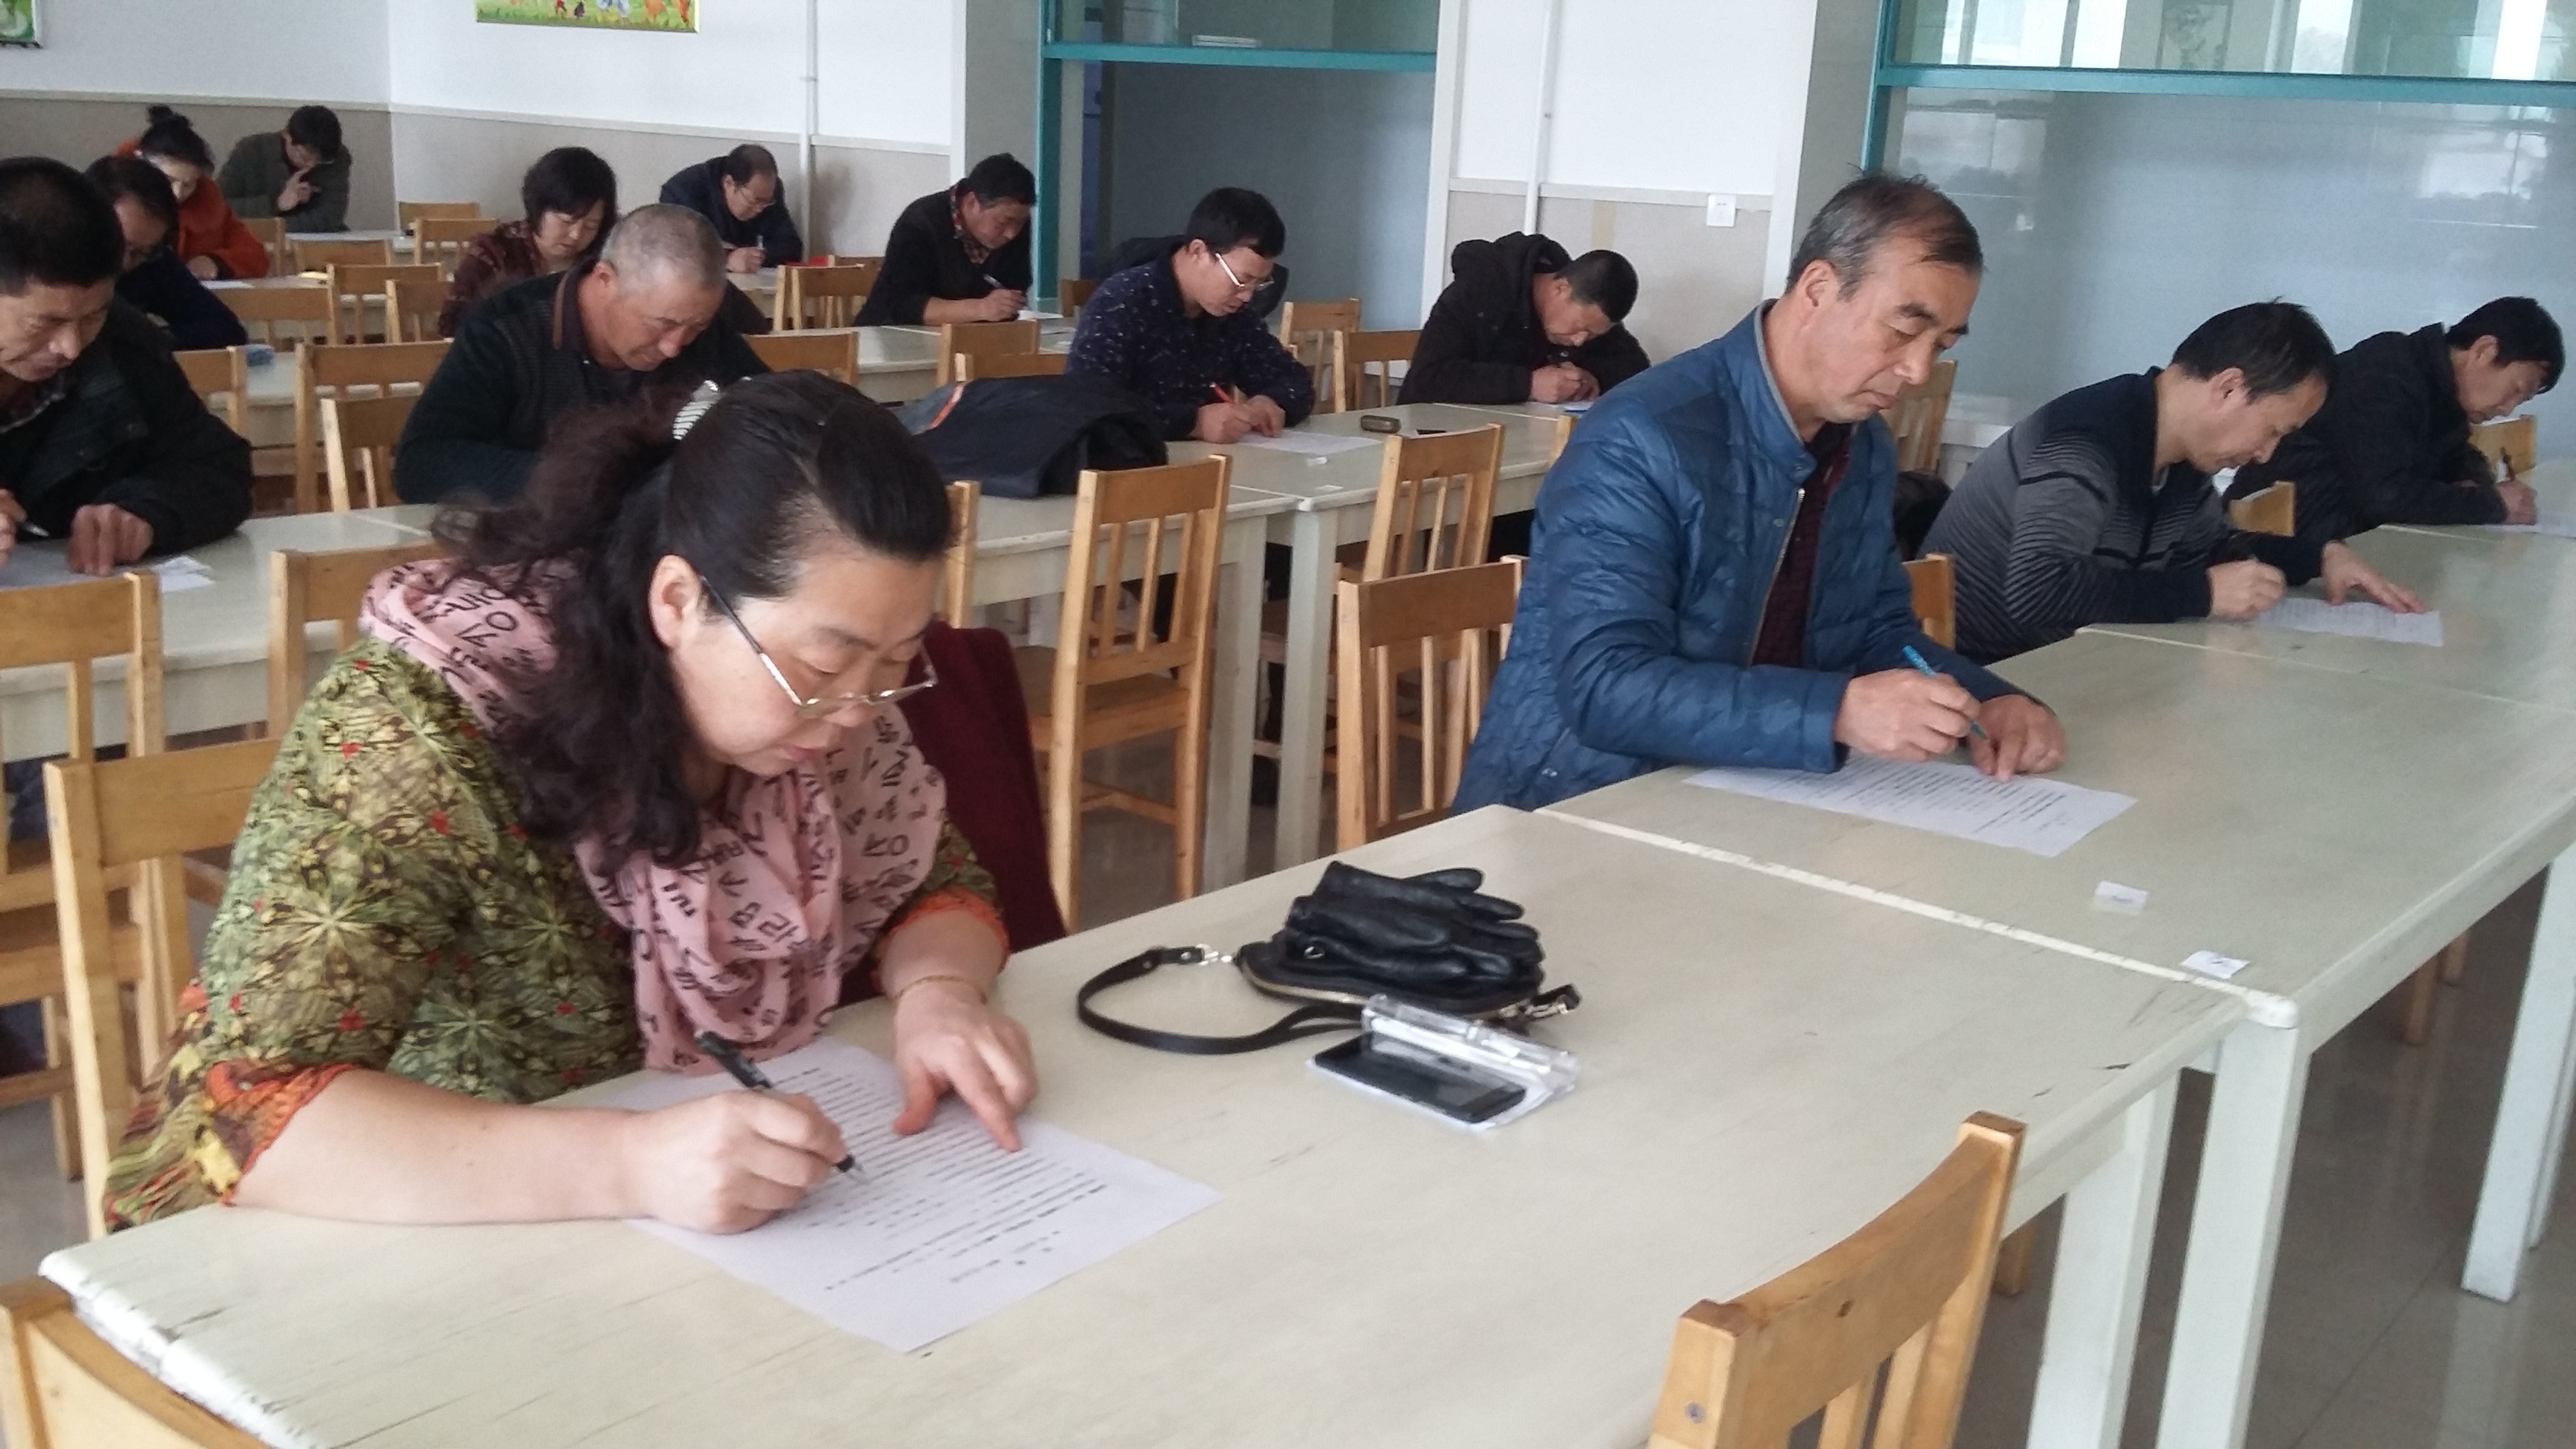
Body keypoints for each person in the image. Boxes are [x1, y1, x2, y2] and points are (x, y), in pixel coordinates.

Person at [102, 371, 1035, 1231]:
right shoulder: (418, 730)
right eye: (825, 665)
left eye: (896, 662)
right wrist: (630, 1166)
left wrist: (939, 994)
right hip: (406, 1219)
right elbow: (247, 1109)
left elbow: (935, 880)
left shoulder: (818, 723)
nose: (859, 711)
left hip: (659, 1226)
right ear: (678, 600)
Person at [1454, 175, 2065, 814]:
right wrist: (1837, 711)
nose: (1917, 370)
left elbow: (1879, 630)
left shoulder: (1862, 447)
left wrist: (1987, 698)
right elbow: (1606, 688)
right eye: (1902, 330)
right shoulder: (1641, 437)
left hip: (1748, 788)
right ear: (1819, 290)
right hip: (1574, 803)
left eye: (1940, 345)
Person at [1924, 303, 2425, 664]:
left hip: (2081, 665)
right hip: (1994, 678)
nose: (2266, 454)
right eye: (2273, 430)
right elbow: (2037, 590)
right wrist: (2203, 593)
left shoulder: (2181, 456)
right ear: (2229, 388)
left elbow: (2210, 549)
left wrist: (2320, 556)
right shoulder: (2085, 443)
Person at [397, 204, 768, 505]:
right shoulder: (506, 330)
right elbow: (421, 462)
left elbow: (772, 411)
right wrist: (578, 479)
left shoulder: (697, 331)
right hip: (529, 542)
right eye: (662, 324)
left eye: (697, 327)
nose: (675, 346)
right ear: (605, 280)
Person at [0, 156, 252, 577]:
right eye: (44, 323)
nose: (71, 347)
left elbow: (218, 466)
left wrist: (145, 510)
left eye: (93, 316)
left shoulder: (125, 344)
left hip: (80, 600)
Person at [2225, 297, 2563, 544]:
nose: (2508, 408)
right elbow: (2386, 496)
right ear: (2484, 351)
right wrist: (2491, 504)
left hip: (2350, 542)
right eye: (2516, 390)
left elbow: (2456, 453)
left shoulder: (2438, 385)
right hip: (2290, 543)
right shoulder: (2388, 375)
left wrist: (2474, 481)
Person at [1064, 186, 1313, 443]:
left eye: (1259, 283)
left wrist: (1270, 401)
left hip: (1209, 461)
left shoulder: (1232, 314)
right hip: (1133, 462)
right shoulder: (1122, 302)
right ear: (1199, 252)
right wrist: (1193, 423)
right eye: (1241, 280)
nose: (1247, 296)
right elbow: (1089, 405)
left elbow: (1295, 381)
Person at [1400, 235, 1650, 406]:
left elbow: (1638, 370)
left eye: (1594, 335)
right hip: (1431, 437)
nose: (1580, 341)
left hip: (1515, 439)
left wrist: (1593, 378)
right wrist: (1528, 385)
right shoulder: (1479, 289)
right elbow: (1427, 379)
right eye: (1581, 328)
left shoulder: (1590, 310)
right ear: (1561, 289)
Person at [436, 146, 617, 339]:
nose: (576, 235)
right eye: (566, 221)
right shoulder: (494, 251)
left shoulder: (603, 259)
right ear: (538, 209)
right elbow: (452, 324)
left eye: (591, 225)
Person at [84, 155, 248, 352]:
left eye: (141, 252)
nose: (126, 263)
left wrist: (150, 341)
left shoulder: (154, 260)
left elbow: (225, 329)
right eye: (120, 245)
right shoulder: (56, 260)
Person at [855, 152, 1034, 327]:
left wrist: (1007, 304)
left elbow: (1015, 287)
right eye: (1003, 222)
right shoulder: (921, 221)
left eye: (1021, 222)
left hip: (972, 337)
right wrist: (980, 308)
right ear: (972, 203)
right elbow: (901, 305)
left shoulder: (1014, 224)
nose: (1012, 233)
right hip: (889, 334)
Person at [118, 106, 268, 280]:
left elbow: (256, 255)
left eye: (188, 184)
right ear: (140, 160)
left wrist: (216, 261)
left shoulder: (210, 204)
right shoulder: (113, 197)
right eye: (168, 180)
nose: (177, 194)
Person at [657, 144, 803, 273]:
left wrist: (756, 256)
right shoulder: (682, 191)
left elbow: (791, 247)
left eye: (766, 202)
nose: (760, 209)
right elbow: (676, 249)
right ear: (729, 183)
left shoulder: (768, 192)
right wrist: (727, 259)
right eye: (755, 201)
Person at [216, 103, 350, 234]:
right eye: (304, 157)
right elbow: (217, 208)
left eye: (320, 161)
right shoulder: (250, 150)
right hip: (253, 239)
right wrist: (276, 203)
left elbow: (330, 216)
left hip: (314, 241)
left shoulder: (336, 158)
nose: (312, 165)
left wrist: (276, 227)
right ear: (287, 135)